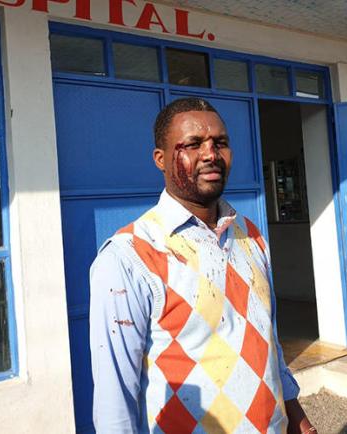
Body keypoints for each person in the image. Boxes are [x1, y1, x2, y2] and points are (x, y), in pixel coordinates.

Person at [89, 98, 315, 433]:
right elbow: (115, 399)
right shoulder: (130, 256)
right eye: (193, 144)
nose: (211, 154)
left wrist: (297, 418)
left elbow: (270, 344)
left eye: (220, 143)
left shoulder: (251, 237)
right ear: (161, 160)